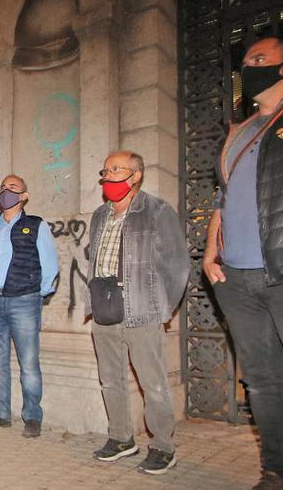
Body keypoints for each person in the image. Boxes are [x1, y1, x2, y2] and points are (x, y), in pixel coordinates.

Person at [203, 36, 283, 490]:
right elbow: (223, 196)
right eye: (246, 61)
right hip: (236, 276)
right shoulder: (241, 130)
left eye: (260, 59)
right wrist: (212, 251)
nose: (250, 67)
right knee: (265, 382)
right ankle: (281, 475)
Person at [86, 152, 188, 475]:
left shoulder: (156, 211)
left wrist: (162, 306)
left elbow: (178, 264)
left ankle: (162, 446)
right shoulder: (100, 215)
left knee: (152, 382)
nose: (110, 175)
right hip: (105, 307)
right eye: (106, 170)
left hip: (141, 310)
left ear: (137, 175)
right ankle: (120, 438)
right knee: (110, 380)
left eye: (118, 169)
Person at [0, 175, 59, 438]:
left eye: (12, 188)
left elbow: (50, 267)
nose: (6, 192)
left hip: (24, 302)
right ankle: (0, 413)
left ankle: (32, 416)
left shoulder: (36, 225)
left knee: (29, 363)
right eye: (2, 188)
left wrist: (34, 293)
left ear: (24, 196)